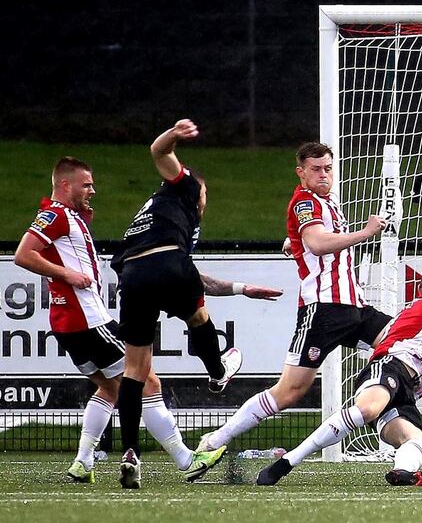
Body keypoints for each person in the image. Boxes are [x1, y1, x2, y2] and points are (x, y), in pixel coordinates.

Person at [198, 142, 422, 453]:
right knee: (290, 391)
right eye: (315, 169)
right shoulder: (304, 201)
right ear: (300, 172)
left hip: (355, 308)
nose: (323, 174)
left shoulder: (327, 203)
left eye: (328, 167)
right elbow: (316, 243)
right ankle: (215, 440)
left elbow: (311, 241)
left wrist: (296, 241)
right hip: (325, 311)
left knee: (414, 344)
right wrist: (364, 232)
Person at [12, 156, 271, 485]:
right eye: (86, 184)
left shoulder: (75, 218)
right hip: (89, 320)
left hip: (66, 324)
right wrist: (68, 274)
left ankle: (82, 462)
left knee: (109, 388)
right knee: (148, 382)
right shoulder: (57, 215)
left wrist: (238, 288)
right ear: (65, 185)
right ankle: (185, 458)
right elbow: (23, 254)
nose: (93, 189)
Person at [111, 119, 283, 489]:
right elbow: (158, 151)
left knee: (134, 369)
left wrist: (241, 288)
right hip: (167, 265)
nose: (205, 202)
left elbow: (187, 273)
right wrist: (174, 134)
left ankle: (129, 452)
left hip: (132, 276)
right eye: (206, 196)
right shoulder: (184, 187)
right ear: (197, 190)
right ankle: (218, 373)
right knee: (198, 316)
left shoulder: (155, 219)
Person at [257, 264, 422, 486]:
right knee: (367, 409)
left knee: (416, 441)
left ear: (420, 289)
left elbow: (419, 375)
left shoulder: (412, 315)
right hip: (389, 367)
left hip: (401, 383)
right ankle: (288, 461)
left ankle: (402, 471)